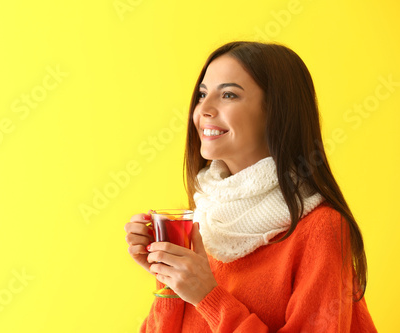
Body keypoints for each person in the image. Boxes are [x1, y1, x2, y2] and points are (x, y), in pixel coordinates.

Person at [124, 41, 377, 332]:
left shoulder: (321, 230)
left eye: (229, 94)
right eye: (202, 95)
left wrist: (208, 296)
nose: (203, 109)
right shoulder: (202, 221)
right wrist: (168, 279)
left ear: (277, 112)